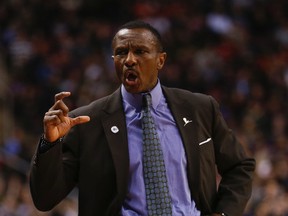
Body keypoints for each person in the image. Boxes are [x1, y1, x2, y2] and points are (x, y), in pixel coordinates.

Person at [29, 20, 255, 216]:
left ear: (161, 60)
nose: (129, 60)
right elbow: (44, 199)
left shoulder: (200, 108)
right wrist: (50, 143)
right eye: (120, 52)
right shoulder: (86, 121)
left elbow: (239, 166)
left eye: (140, 51)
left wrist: (223, 212)